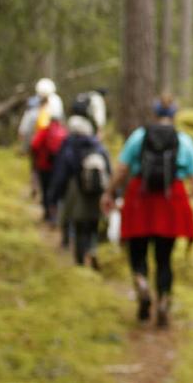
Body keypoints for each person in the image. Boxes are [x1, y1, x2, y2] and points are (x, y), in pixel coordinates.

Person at [101, 95, 193, 327]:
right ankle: (163, 300)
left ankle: (141, 281)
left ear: (154, 113)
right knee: (164, 258)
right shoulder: (185, 141)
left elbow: (121, 170)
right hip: (172, 199)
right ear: (174, 115)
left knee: (137, 252)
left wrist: (109, 193)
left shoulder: (139, 137)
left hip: (140, 197)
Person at [49, 110, 111, 269]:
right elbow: (108, 171)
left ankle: (80, 261)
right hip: (96, 192)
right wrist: (111, 193)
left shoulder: (69, 146)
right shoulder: (98, 146)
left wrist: (54, 196)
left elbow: (61, 173)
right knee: (93, 225)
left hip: (76, 192)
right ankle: (93, 250)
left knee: (79, 227)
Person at [30, 113, 67, 222]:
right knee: (56, 190)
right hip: (58, 168)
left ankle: (47, 214)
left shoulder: (44, 131)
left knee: (46, 190)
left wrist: (36, 161)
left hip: (44, 166)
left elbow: (34, 145)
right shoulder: (63, 132)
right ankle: (56, 215)